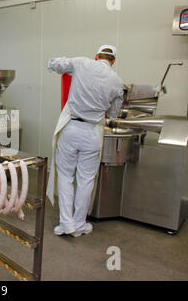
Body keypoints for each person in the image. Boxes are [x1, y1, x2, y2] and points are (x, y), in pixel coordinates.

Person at [46, 45, 124, 238]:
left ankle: (66, 223)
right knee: (86, 180)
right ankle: (80, 224)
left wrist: (53, 65)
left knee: (65, 175)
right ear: (113, 61)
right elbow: (113, 114)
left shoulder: (82, 63)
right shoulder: (118, 82)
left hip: (71, 129)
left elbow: (56, 64)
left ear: (96, 56)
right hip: (92, 132)